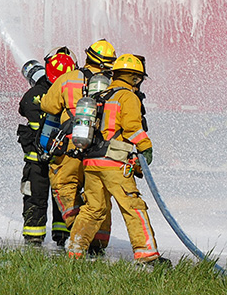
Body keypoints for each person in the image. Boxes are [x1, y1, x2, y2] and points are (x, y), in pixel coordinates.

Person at [66, 54, 169, 267]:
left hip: (91, 162)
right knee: (133, 206)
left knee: (92, 209)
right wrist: (146, 148)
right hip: (114, 162)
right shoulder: (127, 97)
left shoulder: (99, 95)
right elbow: (132, 127)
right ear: (134, 78)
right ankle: (147, 255)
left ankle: (75, 251)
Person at [40, 39, 116, 252]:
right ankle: (98, 243)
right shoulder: (115, 85)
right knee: (99, 196)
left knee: (64, 185)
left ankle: (78, 231)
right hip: (101, 150)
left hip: (71, 146)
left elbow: (48, 105)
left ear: (87, 57)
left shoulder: (68, 79)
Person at [16, 53, 74, 247]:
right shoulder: (72, 93)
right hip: (62, 159)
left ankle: (33, 237)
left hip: (35, 160)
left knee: (34, 197)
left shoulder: (32, 96)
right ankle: (62, 236)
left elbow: (24, 109)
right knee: (63, 196)